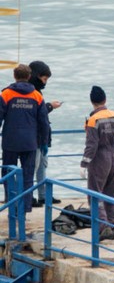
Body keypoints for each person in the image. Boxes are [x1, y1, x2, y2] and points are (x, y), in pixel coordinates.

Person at [0, 64, 50, 213]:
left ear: (14, 76)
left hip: (10, 142)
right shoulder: (36, 95)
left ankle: (12, 204)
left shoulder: (6, 94)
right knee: (28, 176)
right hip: (30, 143)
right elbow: (44, 123)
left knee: (8, 173)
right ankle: (25, 207)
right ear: (29, 77)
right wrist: (44, 142)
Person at [80, 86, 114, 241]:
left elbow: (91, 145)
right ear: (105, 99)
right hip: (113, 156)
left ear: (92, 102)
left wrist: (84, 163)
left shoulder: (93, 120)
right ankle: (112, 225)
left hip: (99, 158)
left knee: (94, 194)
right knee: (110, 194)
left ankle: (103, 226)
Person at [28, 61, 63, 207]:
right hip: (34, 137)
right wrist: (50, 106)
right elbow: (37, 113)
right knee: (32, 168)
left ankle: (43, 195)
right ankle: (28, 196)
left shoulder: (37, 92)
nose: (45, 83)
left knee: (42, 166)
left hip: (42, 137)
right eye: (44, 79)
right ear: (37, 76)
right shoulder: (32, 93)